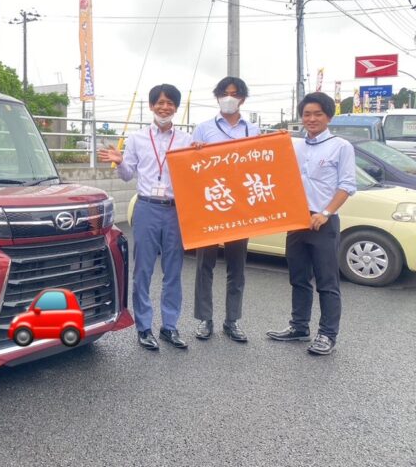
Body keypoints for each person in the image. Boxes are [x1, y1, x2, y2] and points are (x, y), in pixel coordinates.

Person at [98, 84, 192, 350]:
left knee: (173, 270)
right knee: (143, 270)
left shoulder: (186, 139)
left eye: (170, 103)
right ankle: (144, 327)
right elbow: (128, 175)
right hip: (147, 207)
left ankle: (170, 327)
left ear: (176, 108)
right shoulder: (137, 138)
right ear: (151, 106)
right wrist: (119, 161)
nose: (165, 108)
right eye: (160, 103)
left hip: (175, 209)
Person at [266, 92, 356, 355]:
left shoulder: (341, 146)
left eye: (318, 114)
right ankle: (299, 327)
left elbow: (347, 186)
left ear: (328, 116)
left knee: (327, 282)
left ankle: (327, 334)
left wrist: (326, 212)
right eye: (307, 114)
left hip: (323, 222)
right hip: (296, 221)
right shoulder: (294, 145)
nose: (312, 118)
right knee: (298, 278)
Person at [191, 77, 260, 343]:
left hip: (239, 207)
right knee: (204, 265)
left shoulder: (252, 130)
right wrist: (195, 151)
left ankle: (232, 321)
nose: (229, 98)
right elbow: (190, 167)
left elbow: (259, 165)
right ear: (217, 97)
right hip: (210, 204)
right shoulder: (204, 129)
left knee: (237, 267)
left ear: (242, 98)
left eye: (234, 94)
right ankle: (204, 320)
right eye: (224, 93)